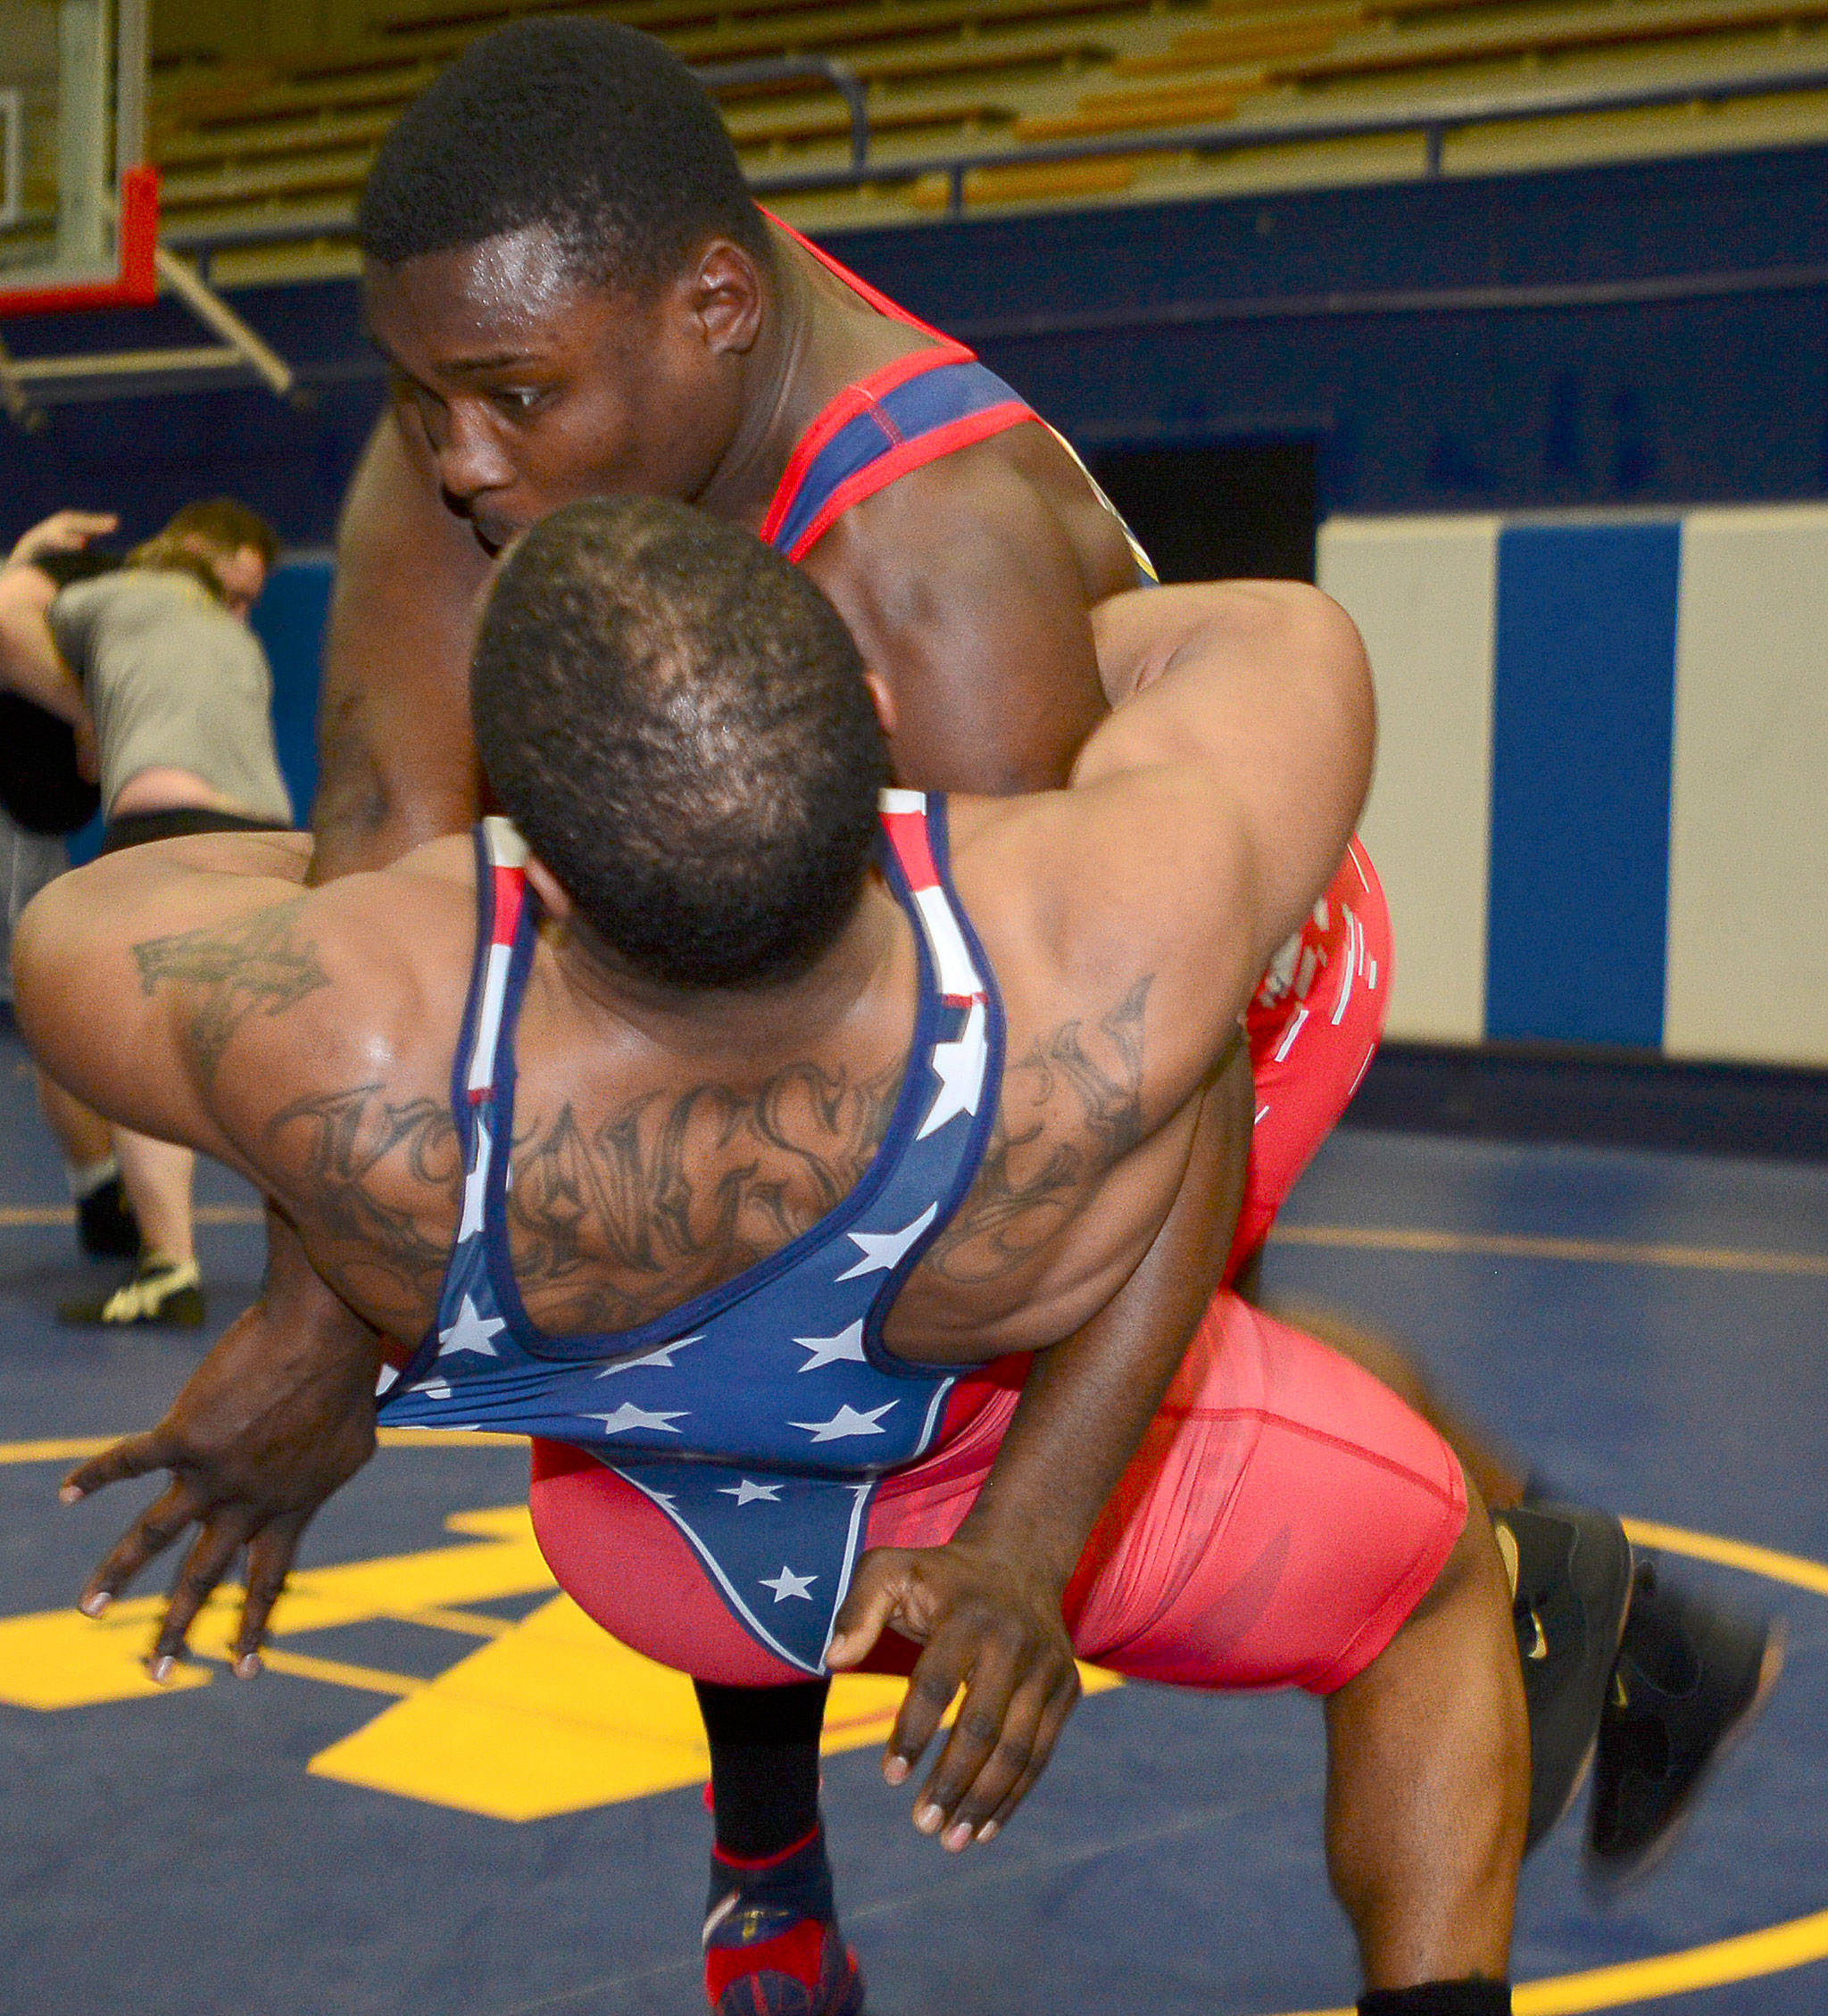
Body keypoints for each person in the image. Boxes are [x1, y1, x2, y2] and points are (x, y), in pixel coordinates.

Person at [14, 501, 1787, 2016]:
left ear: (528, 867)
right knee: (1423, 1563)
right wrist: (961, 713)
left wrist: (486, 872)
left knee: (741, 1405)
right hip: (1009, 1520)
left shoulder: (363, 1059)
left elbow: (99, 910)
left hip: (659, 1564)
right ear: (874, 714)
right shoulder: (1073, 946)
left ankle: (765, 1899)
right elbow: (1257, 643)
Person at [55, 20, 1757, 1891]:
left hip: (1210, 973)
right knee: (699, 1239)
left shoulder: (933, 571)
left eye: (500, 401)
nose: (452, 460)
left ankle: (1524, 1595)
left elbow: (1132, 1076)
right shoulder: (505, 379)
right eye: (416, 396)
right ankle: (782, 1842)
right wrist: (315, 1323)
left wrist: (1028, 1547)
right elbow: (385, 868)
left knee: (855, 1303)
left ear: (713, 307)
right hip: (908, 940)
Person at [0, 496, 287, 1326]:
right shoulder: (234, 641)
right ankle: (335, 1264)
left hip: (168, 829)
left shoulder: (122, 597)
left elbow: (12, 615)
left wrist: (30, 554)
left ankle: (167, 1264)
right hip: (271, 838)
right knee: (264, 1050)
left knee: (137, 1051)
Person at [0, 509, 140, 1262]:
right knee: (48, 999)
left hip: (27, 823)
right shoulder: (32, 605)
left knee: (49, 1000)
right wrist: (89, 719)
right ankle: (101, 1195)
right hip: (14, 828)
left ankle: (101, 1193)